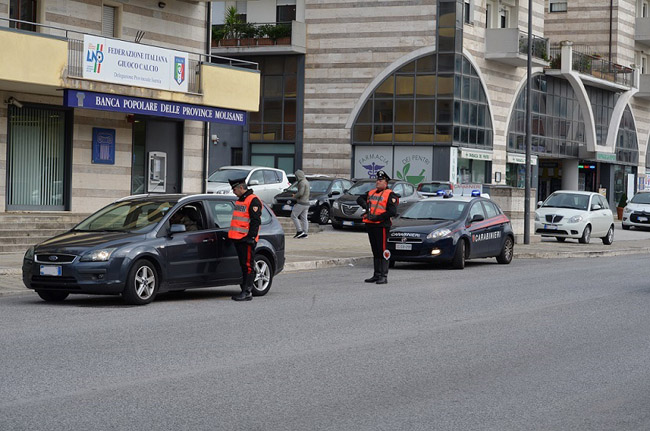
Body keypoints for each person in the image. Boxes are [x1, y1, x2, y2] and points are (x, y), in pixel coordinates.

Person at [357, 170, 398, 285]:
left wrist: (378, 217)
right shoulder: (372, 193)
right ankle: (376, 274)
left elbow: (392, 212)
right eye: (377, 180)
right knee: (375, 250)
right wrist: (366, 206)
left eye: (380, 181)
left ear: (386, 183)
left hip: (382, 225)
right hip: (370, 224)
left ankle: (384, 276)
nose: (377, 182)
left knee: (383, 249)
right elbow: (359, 198)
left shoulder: (390, 195)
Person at [228, 178, 263, 301]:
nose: (233, 191)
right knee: (243, 265)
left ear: (241, 188)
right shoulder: (240, 200)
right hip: (238, 238)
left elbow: (255, 221)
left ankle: (247, 292)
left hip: (246, 239)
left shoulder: (253, 200)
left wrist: (251, 238)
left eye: (235, 189)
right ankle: (244, 289)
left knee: (248, 265)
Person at [291, 169, 310, 239]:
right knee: (304, 218)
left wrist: (294, 195)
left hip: (301, 203)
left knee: (293, 216)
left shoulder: (301, 182)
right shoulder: (306, 181)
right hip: (307, 203)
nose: (295, 177)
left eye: (296, 176)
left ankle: (299, 231)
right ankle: (305, 233)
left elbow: (301, 193)